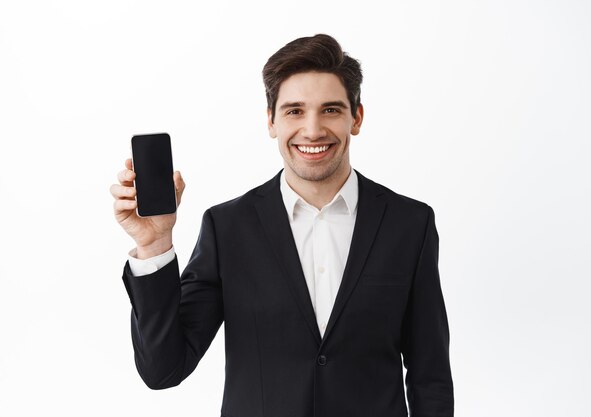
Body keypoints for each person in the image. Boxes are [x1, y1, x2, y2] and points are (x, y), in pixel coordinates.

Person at [111, 33, 454, 417]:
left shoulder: (410, 223)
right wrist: (154, 245)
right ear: (271, 120)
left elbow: (430, 375)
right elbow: (163, 369)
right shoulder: (228, 228)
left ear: (356, 118)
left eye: (330, 110)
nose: (312, 130)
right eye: (294, 111)